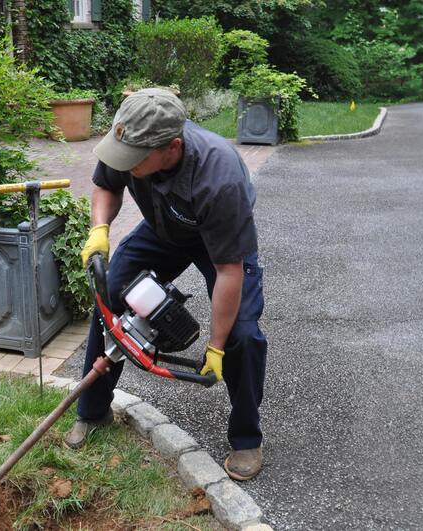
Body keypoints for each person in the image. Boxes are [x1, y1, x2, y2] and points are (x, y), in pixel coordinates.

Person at [64, 88, 268, 481]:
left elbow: (229, 270)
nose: (125, 162)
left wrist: (215, 347)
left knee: (242, 335)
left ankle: (246, 438)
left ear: (172, 148)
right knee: (109, 295)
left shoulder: (219, 177)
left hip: (220, 242)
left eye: (134, 160)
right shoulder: (131, 139)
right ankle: (93, 411)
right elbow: (107, 185)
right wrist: (99, 229)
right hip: (164, 229)